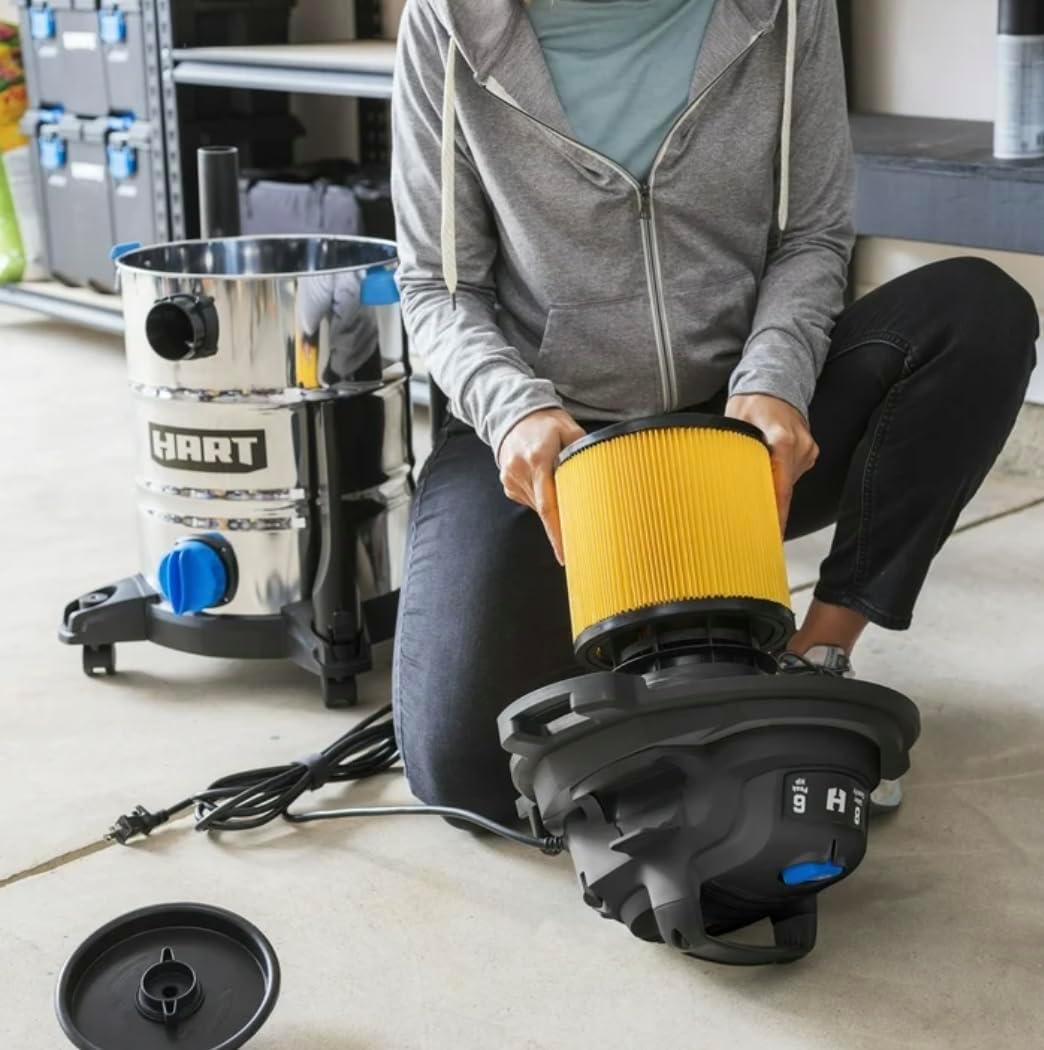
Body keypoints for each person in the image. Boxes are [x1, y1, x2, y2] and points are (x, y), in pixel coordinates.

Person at [389, 0, 1039, 824]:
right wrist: (515, 411)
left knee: (978, 313)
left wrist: (772, 383)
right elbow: (439, 287)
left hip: (740, 431)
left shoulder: (785, 10)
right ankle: (649, 645)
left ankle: (817, 658)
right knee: (470, 778)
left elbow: (811, 235)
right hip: (558, 443)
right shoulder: (447, 23)